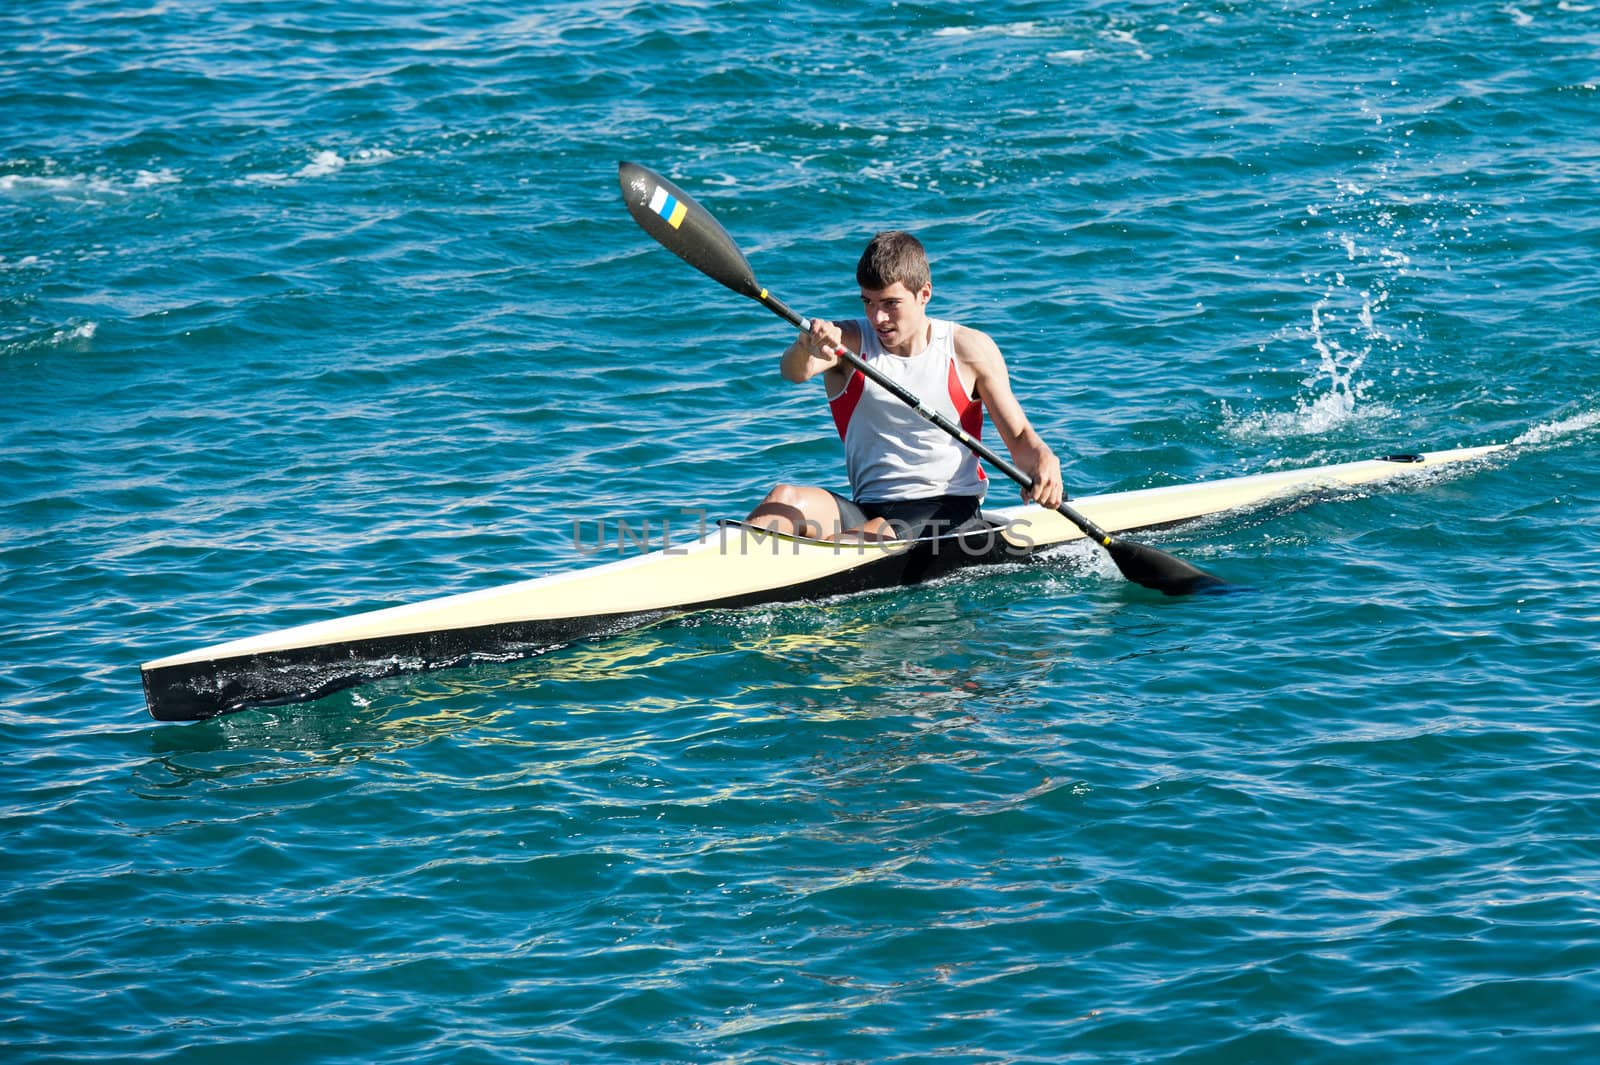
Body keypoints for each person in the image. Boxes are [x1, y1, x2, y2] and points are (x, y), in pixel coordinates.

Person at [745, 230, 1064, 543]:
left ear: (924, 293)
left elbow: (1019, 437)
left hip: (948, 507)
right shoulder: (848, 344)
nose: (877, 317)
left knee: (868, 535)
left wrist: (1043, 460)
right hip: (868, 508)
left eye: (890, 303)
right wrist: (806, 345)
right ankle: (730, 567)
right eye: (867, 302)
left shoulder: (968, 350)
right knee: (784, 499)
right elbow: (794, 372)